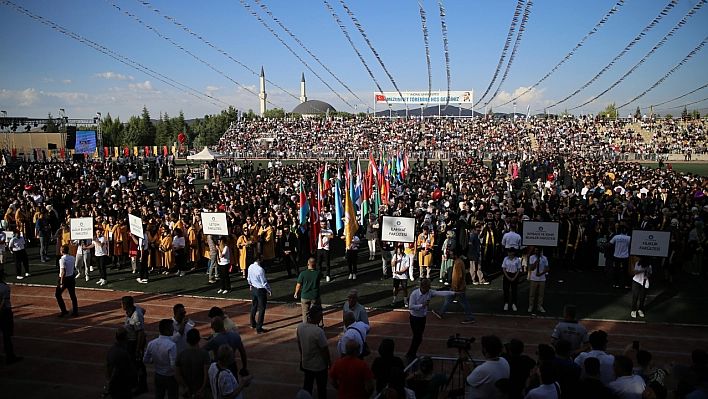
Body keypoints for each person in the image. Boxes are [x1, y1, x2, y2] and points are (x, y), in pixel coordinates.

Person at [405, 278, 456, 363]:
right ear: (424, 287)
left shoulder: (429, 292)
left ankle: (411, 354)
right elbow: (411, 307)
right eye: (428, 287)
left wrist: (453, 293)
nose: (430, 288)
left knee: (419, 337)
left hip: (422, 317)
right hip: (415, 318)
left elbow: (440, 293)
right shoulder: (414, 294)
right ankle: (410, 354)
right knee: (417, 337)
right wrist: (422, 305)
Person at [431, 247, 475, 323]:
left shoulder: (458, 263)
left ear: (456, 255)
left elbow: (459, 277)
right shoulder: (459, 262)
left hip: (458, 288)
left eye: (452, 255)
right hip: (455, 287)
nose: (451, 256)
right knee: (448, 299)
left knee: (464, 303)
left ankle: (470, 317)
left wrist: (456, 288)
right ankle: (441, 312)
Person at [296, 305, 331, 399]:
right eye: (320, 316)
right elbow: (325, 350)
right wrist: (328, 362)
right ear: (315, 317)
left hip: (306, 363)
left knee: (307, 385)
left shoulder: (300, 327)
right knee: (322, 389)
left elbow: (299, 343)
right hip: (319, 366)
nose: (321, 318)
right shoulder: (318, 331)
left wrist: (302, 356)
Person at [143, 319, 179, 399]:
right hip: (170, 376)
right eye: (172, 328)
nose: (173, 330)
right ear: (166, 331)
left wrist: (153, 360)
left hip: (158, 375)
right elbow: (173, 365)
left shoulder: (152, 343)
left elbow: (145, 360)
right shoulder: (171, 345)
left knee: (159, 395)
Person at [122, 295, 148, 396]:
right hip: (131, 342)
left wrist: (138, 350)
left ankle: (142, 385)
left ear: (125, 305)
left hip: (135, 343)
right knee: (132, 364)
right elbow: (144, 310)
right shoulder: (136, 308)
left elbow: (140, 333)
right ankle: (135, 382)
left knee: (138, 365)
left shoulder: (136, 316)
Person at [174, 329, 210, 399]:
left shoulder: (181, 354)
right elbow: (207, 375)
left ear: (187, 340)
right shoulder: (204, 354)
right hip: (201, 391)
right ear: (199, 339)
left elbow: (177, 374)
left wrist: (185, 386)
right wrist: (202, 389)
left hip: (188, 391)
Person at [105, 328, 136, 399]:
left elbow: (106, 365)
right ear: (125, 338)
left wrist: (108, 381)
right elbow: (116, 370)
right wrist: (110, 383)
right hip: (122, 385)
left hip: (116, 385)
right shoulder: (123, 353)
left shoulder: (111, 349)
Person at [0, 271, 22, 365]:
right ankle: (10, 356)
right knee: (7, 335)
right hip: (5, 314)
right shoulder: (5, 287)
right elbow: (4, 302)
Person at [295, 257, 324, 325]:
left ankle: (305, 325)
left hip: (305, 296)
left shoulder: (303, 274)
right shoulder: (318, 273)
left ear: (308, 264)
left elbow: (298, 285)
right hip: (315, 296)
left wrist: (296, 293)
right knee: (318, 311)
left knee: (305, 313)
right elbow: (321, 275)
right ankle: (320, 325)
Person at [247, 252, 272, 334]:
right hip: (260, 290)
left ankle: (252, 323)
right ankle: (259, 327)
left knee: (254, 306)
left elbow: (249, 278)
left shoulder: (250, 267)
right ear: (258, 259)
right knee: (262, 308)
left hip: (254, 288)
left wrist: (250, 284)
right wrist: (269, 289)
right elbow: (264, 282)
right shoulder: (260, 270)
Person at [56, 244, 78, 317]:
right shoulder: (72, 258)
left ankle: (64, 310)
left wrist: (61, 282)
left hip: (65, 279)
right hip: (71, 278)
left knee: (58, 294)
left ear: (62, 251)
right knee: (73, 295)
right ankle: (75, 311)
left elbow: (63, 272)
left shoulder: (62, 260)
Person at [528, 246, 549, 313]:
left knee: (541, 294)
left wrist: (541, 273)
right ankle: (531, 305)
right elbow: (532, 268)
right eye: (535, 250)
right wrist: (535, 262)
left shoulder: (544, 258)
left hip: (542, 278)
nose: (536, 252)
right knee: (532, 293)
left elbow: (547, 268)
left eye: (537, 251)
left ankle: (539, 305)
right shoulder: (532, 257)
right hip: (534, 278)